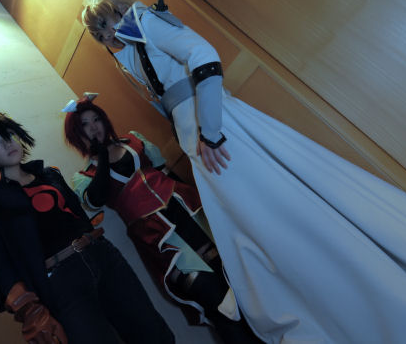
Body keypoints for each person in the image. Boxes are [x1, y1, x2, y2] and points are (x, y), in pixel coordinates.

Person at [80, 0, 406, 343]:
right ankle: (355, 311)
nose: (106, 34)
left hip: (220, 135)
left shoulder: (146, 22)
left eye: (106, 23)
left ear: (117, 10)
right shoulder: (130, 51)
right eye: (99, 33)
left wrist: (211, 131)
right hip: (202, 144)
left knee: (296, 217)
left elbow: (204, 56)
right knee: (273, 230)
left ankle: (388, 301)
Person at [0, 112, 175, 344]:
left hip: (102, 256)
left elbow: (79, 218)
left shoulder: (49, 175)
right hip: (60, 280)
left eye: (9, 135)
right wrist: (25, 306)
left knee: (151, 332)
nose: (8, 143)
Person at [63, 94, 261, 343]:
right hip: (159, 239)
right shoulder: (84, 177)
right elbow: (95, 199)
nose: (94, 127)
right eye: (85, 124)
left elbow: (168, 174)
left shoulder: (133, 140)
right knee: (213, 298)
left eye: (96, 119)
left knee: (239, 286)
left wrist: (211, 204)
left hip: (189, 215)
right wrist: (101, 156)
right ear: (76, 134)